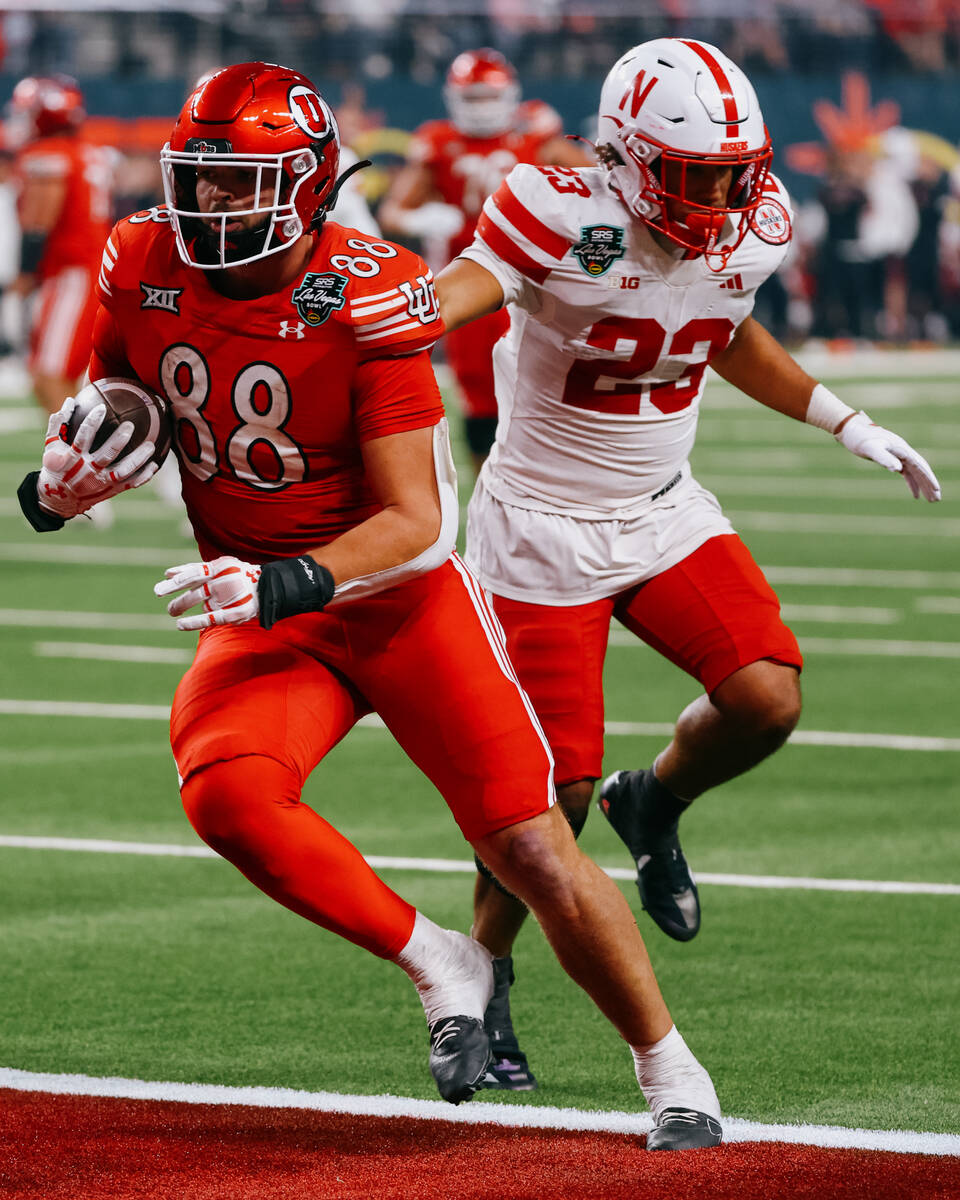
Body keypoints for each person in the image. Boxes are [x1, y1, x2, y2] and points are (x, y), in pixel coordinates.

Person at [16, 61, 726, 1151]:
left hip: (395, 601)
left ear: (306, 186)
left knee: (531, 844)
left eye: (242, 184)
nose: (212, 207)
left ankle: (670, 1068)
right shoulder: (140, 257)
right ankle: (442, 959)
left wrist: (282, 580)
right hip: (267, 612)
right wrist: (67, 477)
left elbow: (418, 522)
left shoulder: (368, 285)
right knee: (226, 794)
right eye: (202, 180)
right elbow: (125, 392)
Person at [435, 37, 941, 1089]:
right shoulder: (559, 211)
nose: (715, 200)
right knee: (549, 795)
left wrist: (843, 420)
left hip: (663, 509)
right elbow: (460, 294)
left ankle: (655, 800)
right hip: (540, 525)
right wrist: (369, 316)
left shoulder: (754, 223)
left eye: (729, 175)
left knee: (766, 697)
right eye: (691, 176)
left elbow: (726, 330)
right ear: (621, 158)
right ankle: (483, 968)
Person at [380, 48, 591, 475]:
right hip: (471, 279)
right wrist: (420, 217)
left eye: (487, 97)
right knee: (478, 391)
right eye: (471, 98)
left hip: (539, 279)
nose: (480, 108)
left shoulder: (537, 133)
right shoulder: (440, 142)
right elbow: (392, 209)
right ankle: (488, 487)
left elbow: (593, 185)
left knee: (552, 384)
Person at [7, 74, 114, 414]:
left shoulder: (48, 154)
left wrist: (23, 281)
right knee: (56, 378)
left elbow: (39, 223)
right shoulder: (84, 151)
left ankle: (78, 462)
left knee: (48, 376)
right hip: (87, 270)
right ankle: (86, 458)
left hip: (72, 275)